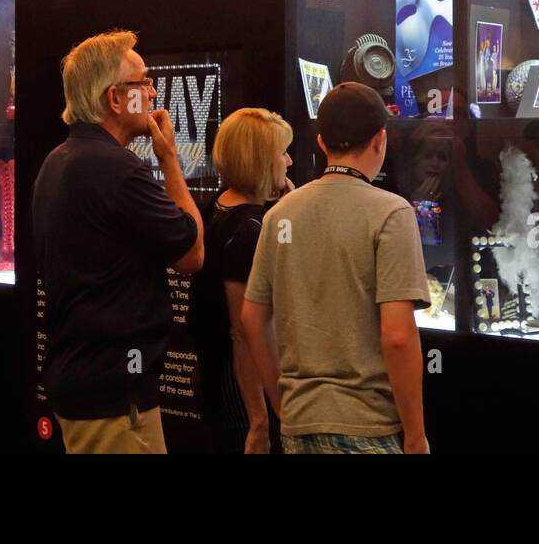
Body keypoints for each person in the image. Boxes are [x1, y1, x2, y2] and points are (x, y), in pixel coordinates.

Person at [32, 29, 203, 454]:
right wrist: (169, 159)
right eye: (142, 83)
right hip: (113, 396)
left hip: (81, 380)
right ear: (114, 99)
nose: (151, 93)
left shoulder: (59, 159)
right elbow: (192, 254)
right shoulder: (118, 170)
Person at [241, 82, 431, 454]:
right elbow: (398, 337)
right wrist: (415, 436)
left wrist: (283, 405)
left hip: (298, 424)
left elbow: (251, 318)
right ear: (380, 140)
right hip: (368, 426)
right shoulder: (392, 213)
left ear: (322, 143)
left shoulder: (280, 213)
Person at [190, 107, 293, 454]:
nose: (289, 161)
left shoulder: (213, 210)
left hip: (219, 384)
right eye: (282, 152)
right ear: (261, 160)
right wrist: (260, 421)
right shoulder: (251, 232)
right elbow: (245, 331)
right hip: (245, 396)